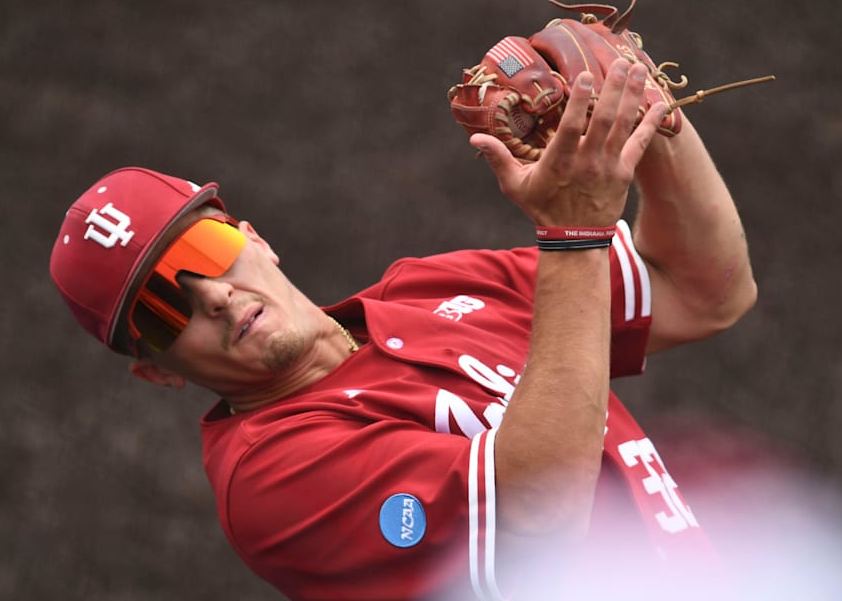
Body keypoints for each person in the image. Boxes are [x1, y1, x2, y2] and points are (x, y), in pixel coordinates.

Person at [50, 59, 756, 600]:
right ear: (158, 371)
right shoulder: (271, 477)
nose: (216, 299)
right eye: (160, 312)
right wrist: (574, 233)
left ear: (253, 237)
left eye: (203, 255)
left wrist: (641, 112)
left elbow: (705, 291)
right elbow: (538, 506)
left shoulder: (433, 287)